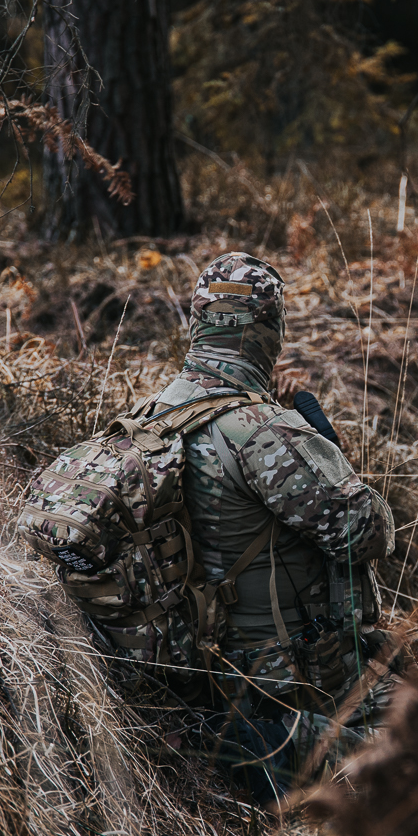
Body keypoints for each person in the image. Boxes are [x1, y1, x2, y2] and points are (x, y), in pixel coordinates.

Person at [152, 252, 394, 802]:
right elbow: (367, 532)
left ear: (198, 324)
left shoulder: (151, 416)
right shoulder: (264, 431)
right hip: (288, 681)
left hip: (199, 674)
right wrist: (329, 452)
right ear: (269, 333)